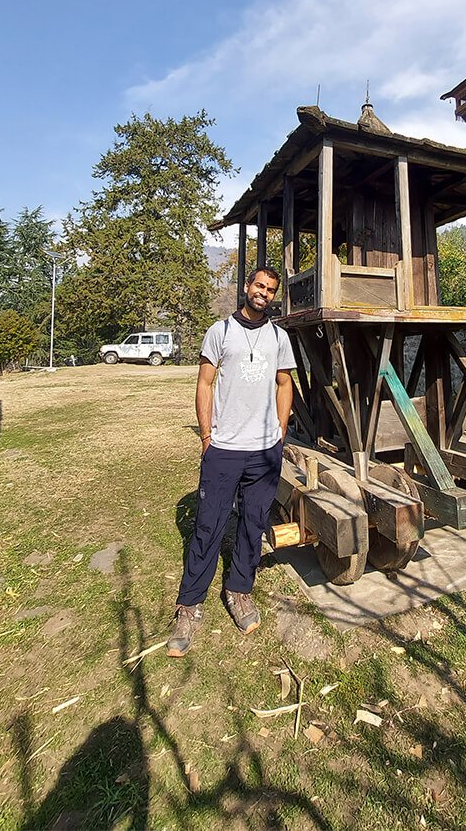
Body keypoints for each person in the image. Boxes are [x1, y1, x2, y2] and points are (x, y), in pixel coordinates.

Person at [167, 266, 295, 658]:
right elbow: (204, 383)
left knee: (254, 524)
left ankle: (239, 591)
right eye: (259, 286)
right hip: (224, 448)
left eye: (271, 290)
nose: (264, 293)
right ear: (247, 288)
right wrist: (208, 437)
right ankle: (189, 605)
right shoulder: (220, 332)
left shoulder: (279, 337)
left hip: (263, 451)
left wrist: (279, 432)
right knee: (209, 524)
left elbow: (284, 384)